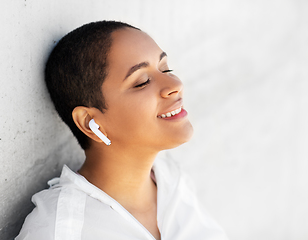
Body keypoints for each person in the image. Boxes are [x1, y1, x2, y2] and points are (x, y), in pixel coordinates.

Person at [15, 20, 229, 240]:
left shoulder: (172, 180)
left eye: (166, 68)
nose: (175, 85)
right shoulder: (61, 231)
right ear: (91, 122)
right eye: (142, 81)